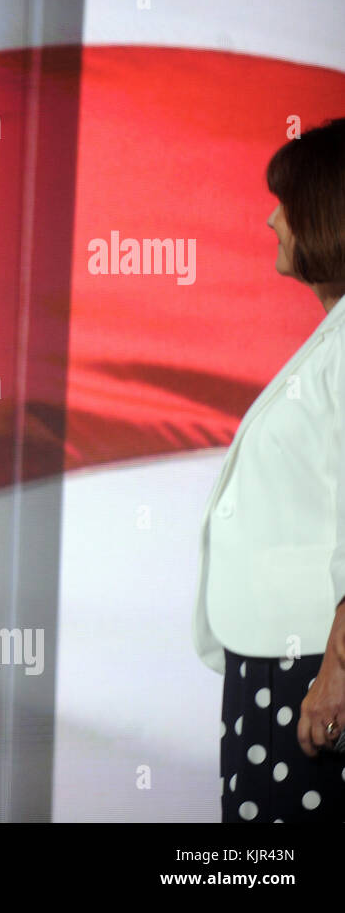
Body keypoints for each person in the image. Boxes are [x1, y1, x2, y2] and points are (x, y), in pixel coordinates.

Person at [194, 117, 345, 823]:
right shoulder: (333, 336)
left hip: (314, 667)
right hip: (284, 662)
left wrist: (337, 672)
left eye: (286, 202)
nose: (269, 218)